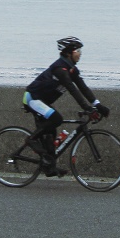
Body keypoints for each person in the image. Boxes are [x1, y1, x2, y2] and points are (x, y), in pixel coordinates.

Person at [22, 36, 110, 177]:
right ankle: (30, 139)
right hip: (32, 98)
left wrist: (98, 105)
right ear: (69, 52)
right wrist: (87, 108)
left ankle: (49, 167)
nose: (80, 53)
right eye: (77, 50)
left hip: (42, 101)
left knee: (51, 133)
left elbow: (83, 88)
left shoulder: (71, 69)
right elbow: (72, 89)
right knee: (56, 119)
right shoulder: (59, 68)